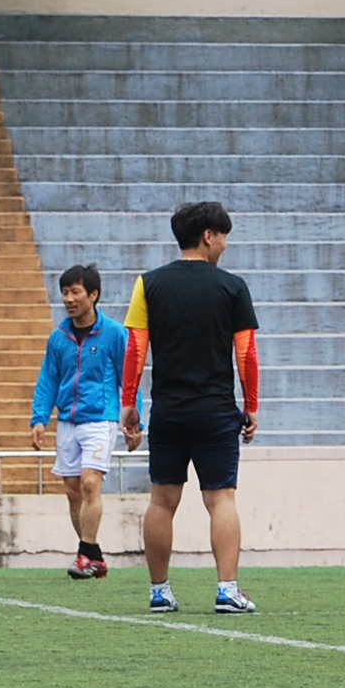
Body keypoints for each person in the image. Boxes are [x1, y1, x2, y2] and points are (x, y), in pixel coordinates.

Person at [120, 201, 260, 615]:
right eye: (224, 237)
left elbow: (136, 348)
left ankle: (159, 591)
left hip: (168, 409)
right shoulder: (232, 287)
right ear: (208, 236)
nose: (226, 245)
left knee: (162, 500)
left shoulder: (149, 283)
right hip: (215, 409)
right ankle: (227, 590)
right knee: (221, 499)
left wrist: (129, 403)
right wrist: (251, 405)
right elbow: (246, 354)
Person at [28, 263, 129, 579]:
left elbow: (129, 378)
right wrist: (40, 418)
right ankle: (93, 555)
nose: (69, 299)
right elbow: (49, 378)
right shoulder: (58, 337)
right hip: (67, 421)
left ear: (93, 295)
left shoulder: (114, 333)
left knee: (89, 482)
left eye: (75, 292)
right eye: (64, 292)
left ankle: (85, 556)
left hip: (100, 419)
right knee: (73, 491)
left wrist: (133, 418)